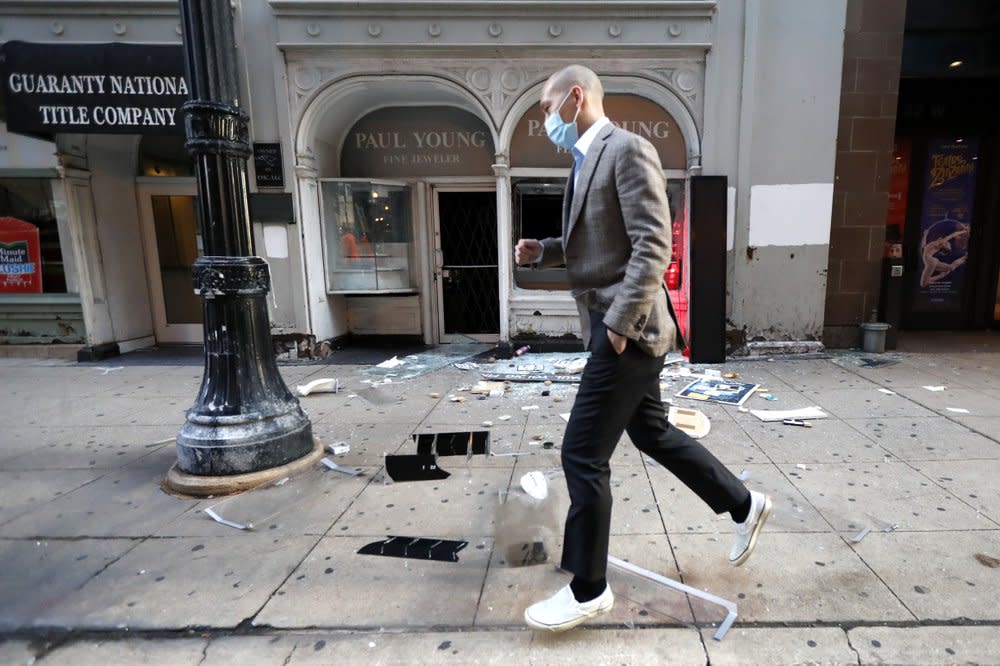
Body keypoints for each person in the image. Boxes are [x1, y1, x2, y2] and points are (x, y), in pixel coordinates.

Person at [515, 65, 772, 632]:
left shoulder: (625, 149)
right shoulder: (584, 161)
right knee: (652, 431)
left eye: (545, 105)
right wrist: (546, 251)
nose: (543, 117)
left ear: (574, 97)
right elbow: (603, 242)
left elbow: (654, 244)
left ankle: (588, 589)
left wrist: (618, 325)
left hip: (628, 331)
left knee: (581, 454)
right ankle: (744, 505)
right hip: (622, 328)